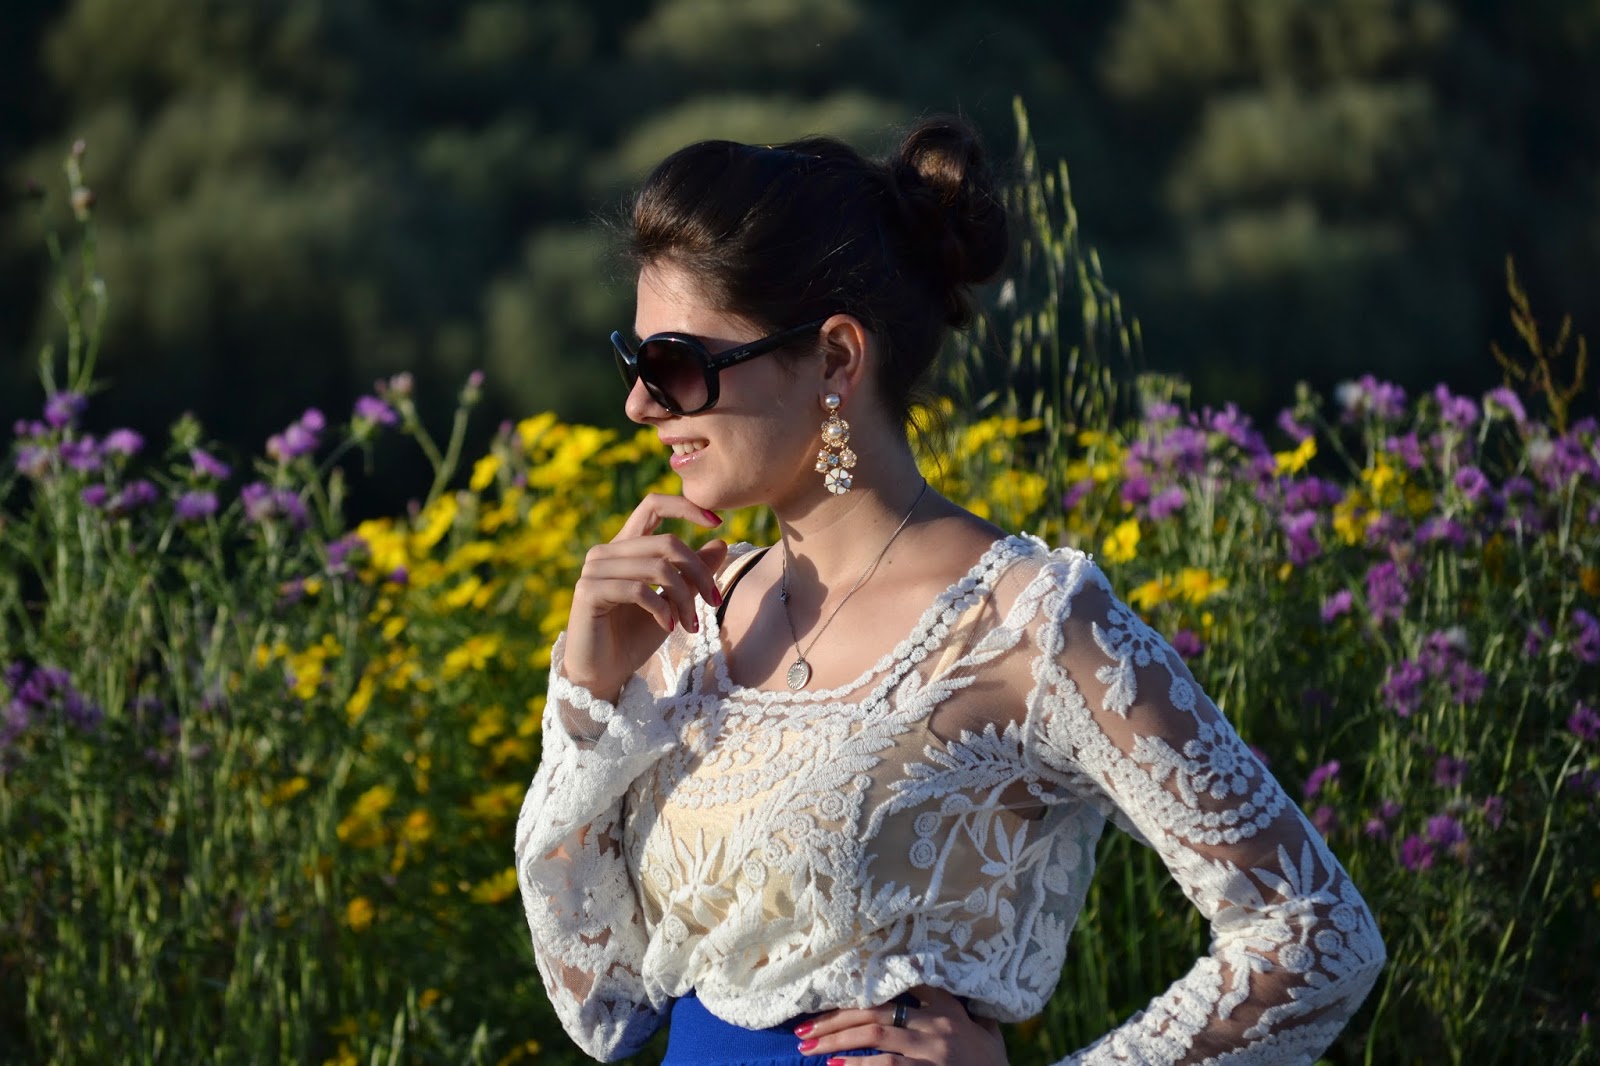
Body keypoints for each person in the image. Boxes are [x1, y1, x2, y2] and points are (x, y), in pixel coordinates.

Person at [514, 116, 1385, 1065]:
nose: (639, 403)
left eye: (677, 366)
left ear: (836, 359)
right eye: (635, 361)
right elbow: (604, 999)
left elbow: (1313, 933)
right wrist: (590, 696)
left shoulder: (1027, 625)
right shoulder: (690, 618)